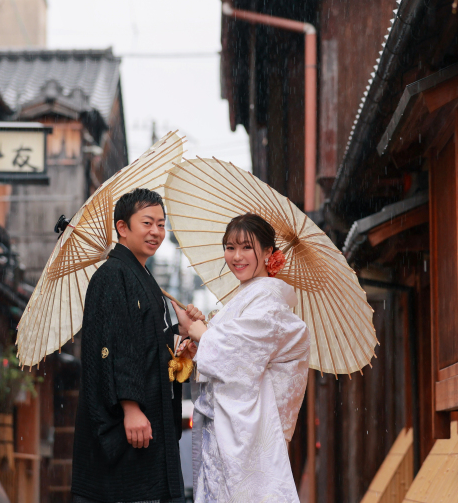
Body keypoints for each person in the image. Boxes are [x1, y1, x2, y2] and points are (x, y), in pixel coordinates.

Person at [72, 188, 202, 503]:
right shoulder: (113, 275)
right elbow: (113, 345)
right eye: (147, 223)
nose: (156, 232)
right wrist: (130, 407)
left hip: (149, 417)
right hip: (129, 420)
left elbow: (150, 347)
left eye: (161, 223)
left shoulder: (141, 276)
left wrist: (181, 340)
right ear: (122, 227)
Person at [172, 213, 310, 503]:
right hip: (228, 430)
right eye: (230, 247)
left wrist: (201, 333)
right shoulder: (245, 297)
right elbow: (228, 349)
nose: (236, 256)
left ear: (269, 252)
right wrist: (201, 339)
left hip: (247, 434)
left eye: (247, 247)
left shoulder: (268, 301)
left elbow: (240, 357)